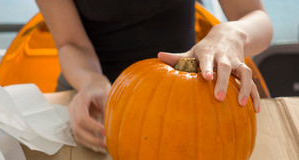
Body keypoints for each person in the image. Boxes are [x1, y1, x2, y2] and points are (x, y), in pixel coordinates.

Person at [35, 0, 273, 151]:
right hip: (96, 97)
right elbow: (70, 43)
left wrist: (232, 34)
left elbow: (255, 15)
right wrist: (90, 81)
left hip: (184, 91)